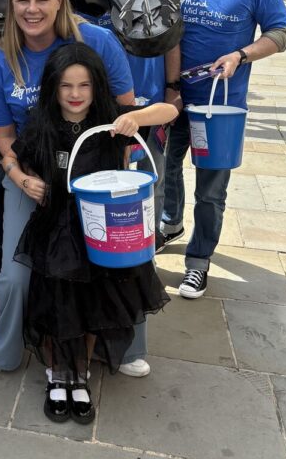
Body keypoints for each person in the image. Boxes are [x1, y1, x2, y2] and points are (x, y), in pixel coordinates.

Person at [0, 0, 135, 378]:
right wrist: (21, 178)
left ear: (60, 0)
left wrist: (114, 183)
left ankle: (127, 345)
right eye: (23, 0)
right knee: (14, 276)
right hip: (32, 178)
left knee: (117, 260)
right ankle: (5, 349)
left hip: (92, 176)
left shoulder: (97, 42)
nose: (33, 9)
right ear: (10, 4)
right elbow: (4, 137)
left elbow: (125, 112)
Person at [13, 43, 176, 422]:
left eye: (83, 86)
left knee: (93, 302)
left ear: (95, 86)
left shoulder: (109, 121)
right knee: (56, 301)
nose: (74, 94)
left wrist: (136, 118)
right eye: (66, 86)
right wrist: (26, 179)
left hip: (101, 230)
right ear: (53, 88)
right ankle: (57, 373)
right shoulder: (43, 123)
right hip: (56, 227)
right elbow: (17, 154)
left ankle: (81, 372)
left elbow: (169, 110)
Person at [161, 0, 286, 298]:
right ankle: (171, 223)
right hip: (174, 96)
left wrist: (241, 54)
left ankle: (198, 261)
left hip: (221, 107)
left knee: (211, 190)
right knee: (167, 168)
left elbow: (280, 33)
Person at [83, 0, 181, 374]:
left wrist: (171, 89)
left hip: (143, 118)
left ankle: (130, 337)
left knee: (137, 224)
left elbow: (174, 36)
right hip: (99, 127)